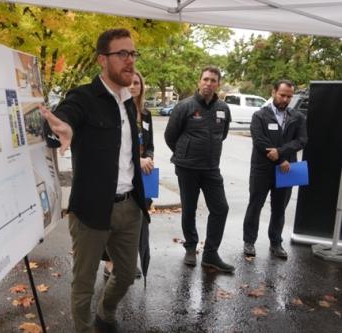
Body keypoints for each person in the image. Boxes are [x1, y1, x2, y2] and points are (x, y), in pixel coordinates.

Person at [41, 28, 147, 333]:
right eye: (122, 54)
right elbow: (66, 116)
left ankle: (106, 313)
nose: (130, 61)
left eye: (132, 53)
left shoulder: (128, 101)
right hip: (91, 210)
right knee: (84, 283)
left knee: (126, 274)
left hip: (130, 208)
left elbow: (125, 152)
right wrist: (64, 129)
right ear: (103, 59)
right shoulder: (83, 97)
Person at [164, 66, 234, 273]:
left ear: (218, 84)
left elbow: (223, 134)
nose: (208, 83)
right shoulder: (184, 106)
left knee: (221, 208)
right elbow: (170, 136)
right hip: (187, 168)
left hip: (211, 168)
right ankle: (191, 247)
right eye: (205, 79)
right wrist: (184, 153)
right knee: (190, 208)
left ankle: (211, 254)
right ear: (199, 81)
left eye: (213, 80)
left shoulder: (223, 108)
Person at [242, 79, 307, 259]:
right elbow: (260, 142)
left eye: (289, 96)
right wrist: (280, 159)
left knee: (279, 209)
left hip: (288, 170)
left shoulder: (298, 117)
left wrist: (280, 152)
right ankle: (249, 241)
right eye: (282, 95)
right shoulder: (259, 116)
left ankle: (276, 243)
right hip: (262, 169)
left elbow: (301, 140)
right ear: (273, 93)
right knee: (255, 205)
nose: (285, 99)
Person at [103, 70, 154, 280]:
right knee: (114, 219)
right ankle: (110, 262)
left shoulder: (146, 113)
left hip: (144, 173)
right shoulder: (117, 111)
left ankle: (129, 261)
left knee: (137, 218)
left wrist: (149, 158)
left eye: (137, 83)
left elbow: (149, 143)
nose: (133, 87)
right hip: (122, 173)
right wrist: (137, 159)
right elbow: (115, 147)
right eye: (130, 83)